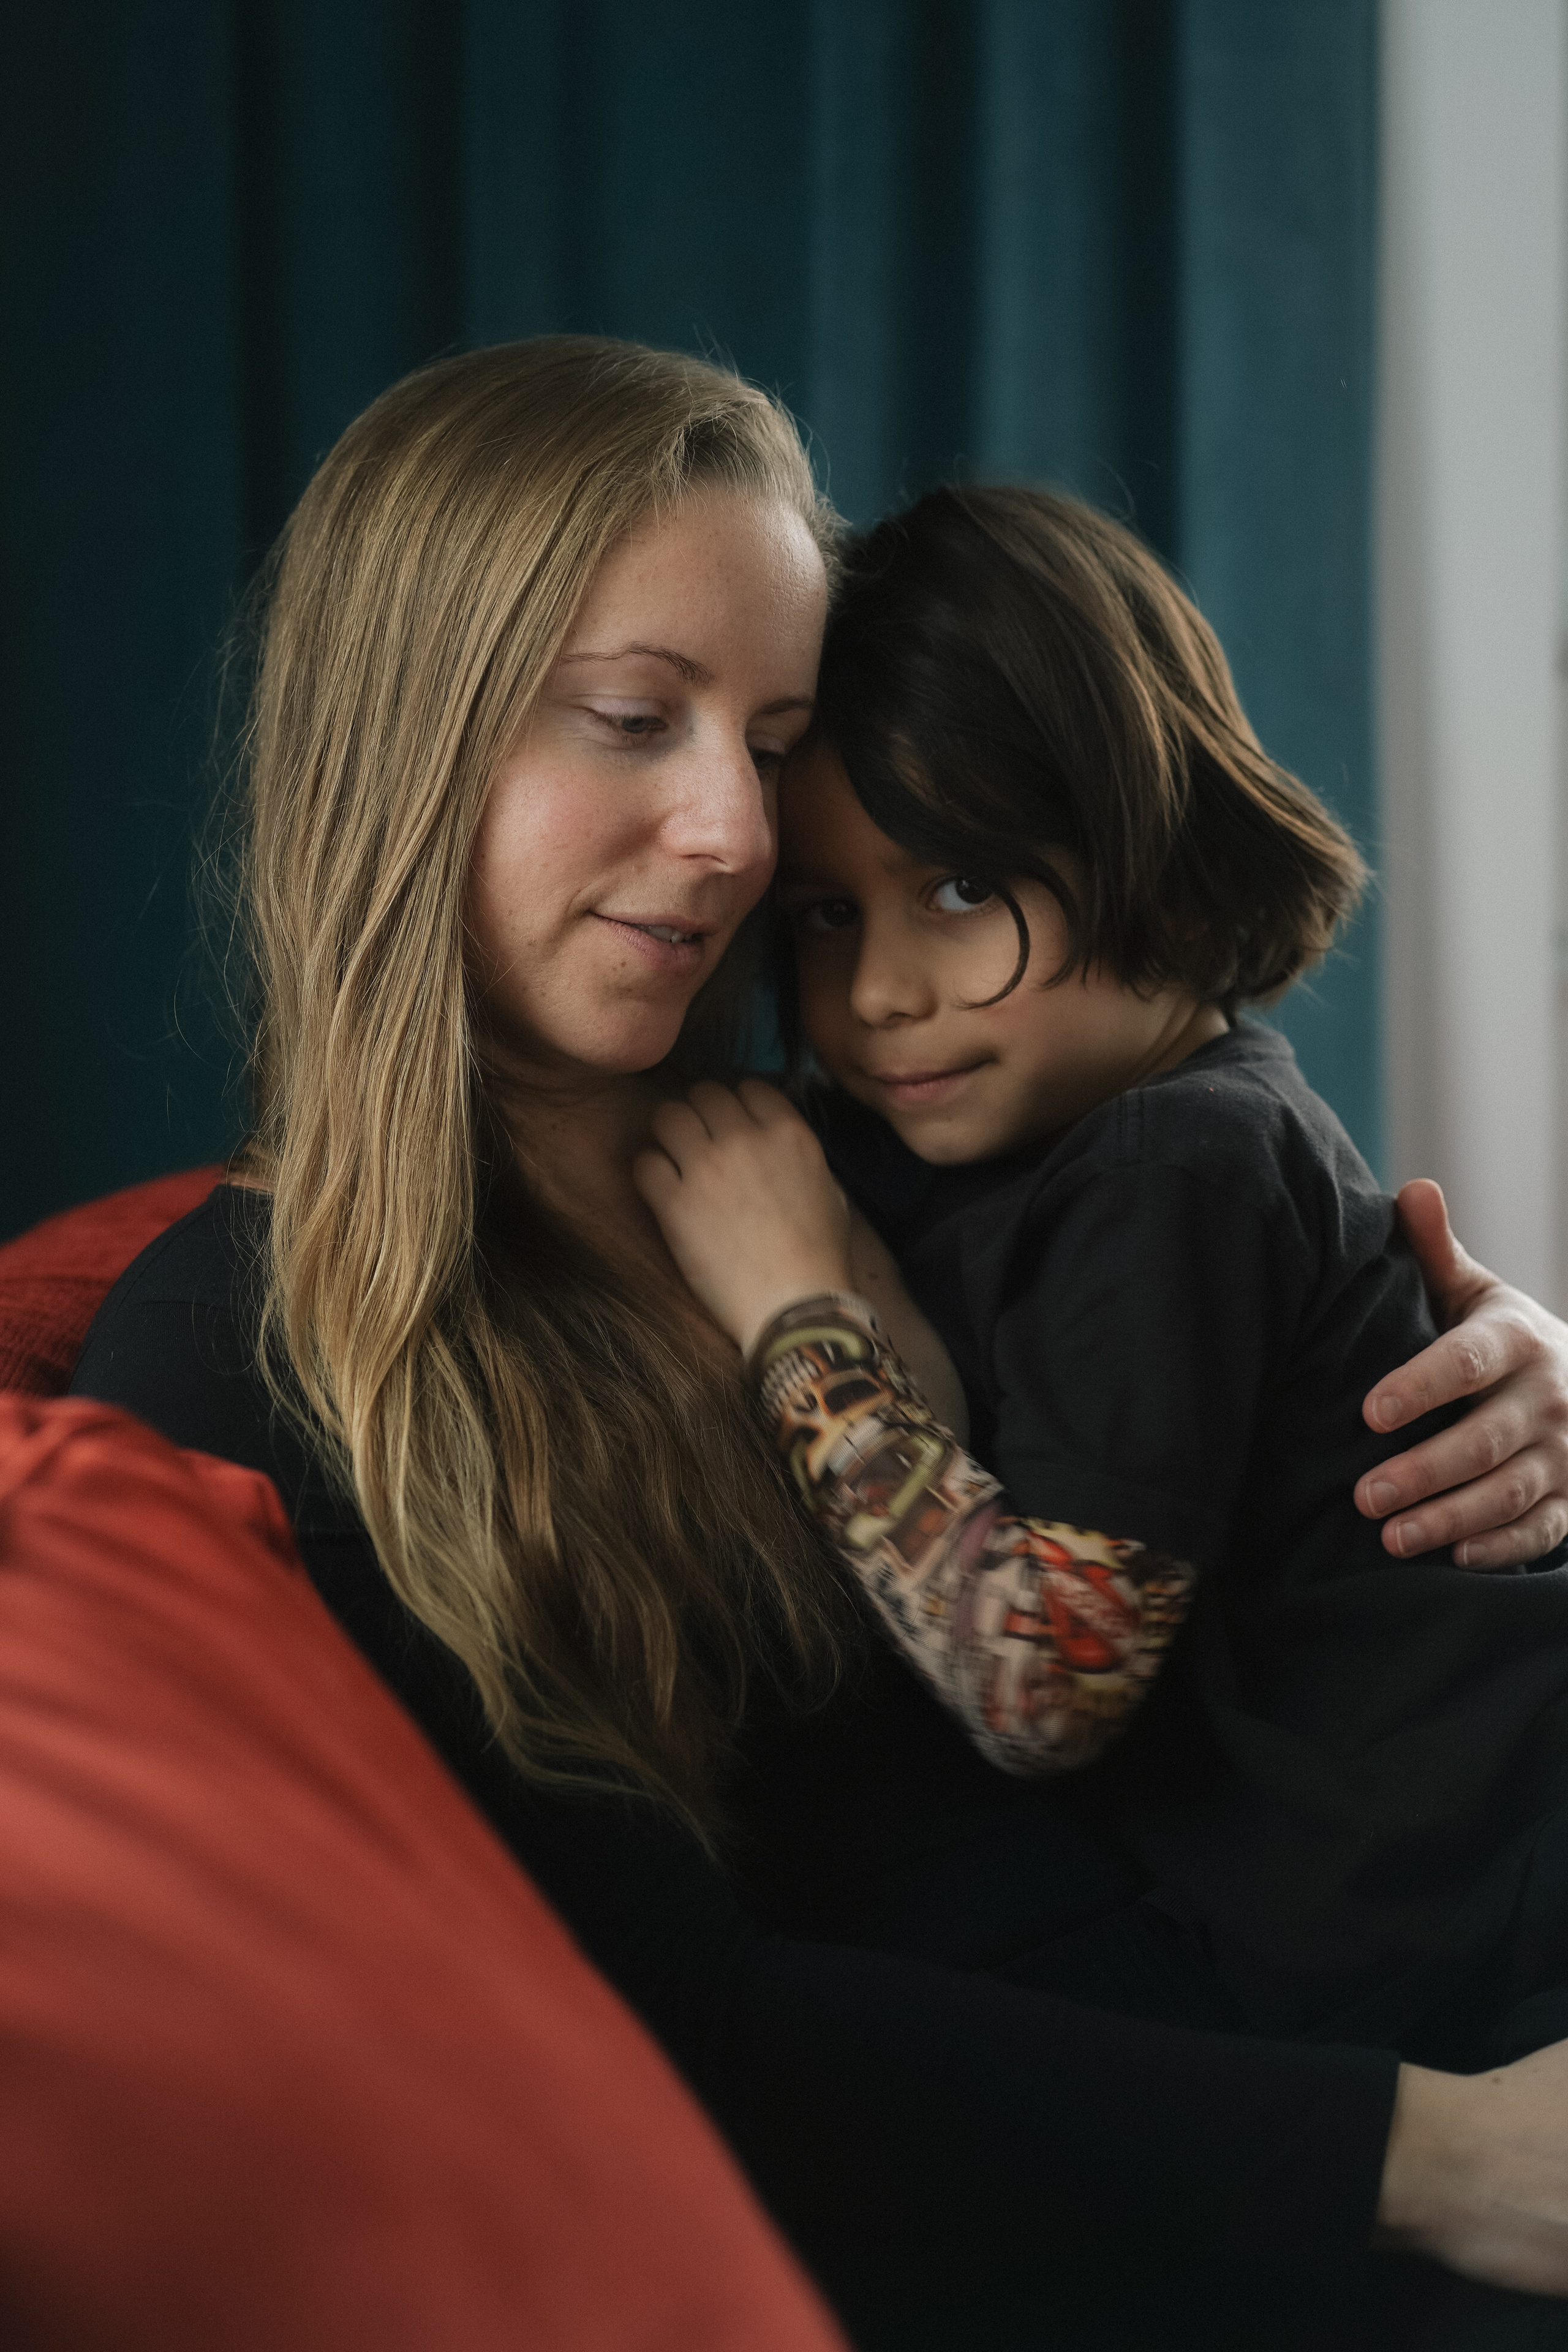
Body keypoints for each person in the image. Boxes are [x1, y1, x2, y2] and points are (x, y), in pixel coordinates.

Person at [63, 343, 1568, 2351]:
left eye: (774, 745)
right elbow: (663, 2032)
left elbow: (1225, 1405)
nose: (738, 837)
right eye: (635, 720)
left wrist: (1497, 1379)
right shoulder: (243, 1364)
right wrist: (1444, 2161)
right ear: (401, 741)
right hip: (1151, 2217)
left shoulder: (873, 1145)